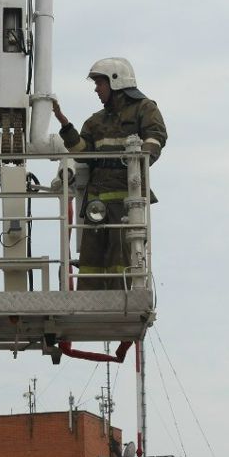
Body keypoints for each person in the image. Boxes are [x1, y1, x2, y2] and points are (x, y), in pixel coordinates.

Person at [52, 57, 167, 290]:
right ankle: (88, 298)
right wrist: (65, 126)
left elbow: (156, 137)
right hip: (97, 203)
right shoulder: (95, 122)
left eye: (99, 83)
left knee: (121, 255)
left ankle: (121, 295)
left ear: (116, 81)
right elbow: (82, 152)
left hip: (126, 201)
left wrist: (138, 160)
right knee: (91, 259)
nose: (96, 89)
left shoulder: (145, 109)